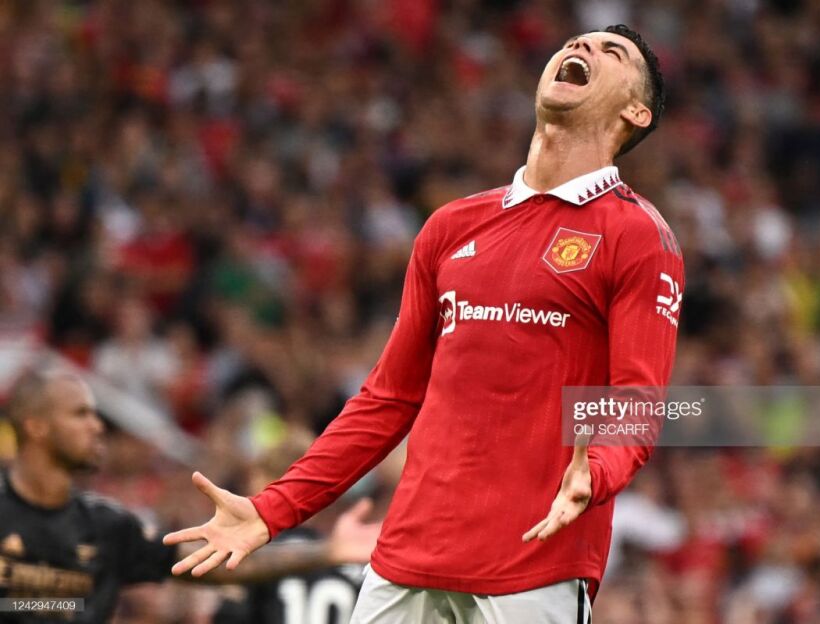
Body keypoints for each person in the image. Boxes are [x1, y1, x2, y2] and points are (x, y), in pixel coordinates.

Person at [166, 24, 682, 623]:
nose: (581, 48)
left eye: (611, 52)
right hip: (404, 562)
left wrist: (596, 473)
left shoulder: (637, 235)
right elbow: (387, 399)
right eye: (575, 42)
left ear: (635, 112)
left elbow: (639, 402)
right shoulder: (451, 227)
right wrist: (272, 509)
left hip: (533, 566)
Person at [0, 369, 380, 623]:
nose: (97, 426)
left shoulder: (107, 525)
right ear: (36, 426)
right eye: (80, 414)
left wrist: (327, 551)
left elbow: (209, 564)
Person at [211, 436, 368, 624]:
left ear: (268, 485)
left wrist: (232, 583)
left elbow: (230, 617)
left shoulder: (256, 561)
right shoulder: (347, 562)